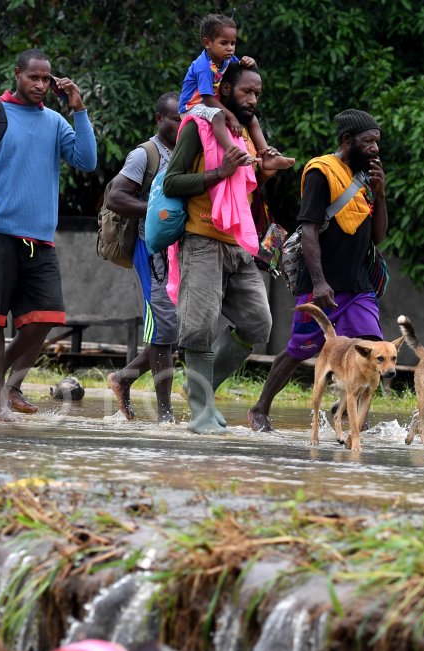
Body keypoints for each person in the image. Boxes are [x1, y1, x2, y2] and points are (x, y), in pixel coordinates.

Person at [0, 49, 97, 421]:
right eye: (33, 78)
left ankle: (6, 387)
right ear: (17, 74)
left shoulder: (54, 121)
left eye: (45, 80)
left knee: (46, 316)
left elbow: (87, 160)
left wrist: (78, 109)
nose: (39, 85)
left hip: (39, 240)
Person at [162, 62, 288, 433]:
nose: (253, 99)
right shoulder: (197, 127)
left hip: (237, 244)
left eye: (258, 94)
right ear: (227, 89)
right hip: (201, 239)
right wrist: (219, 171)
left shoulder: (244, 134)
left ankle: (200, 389)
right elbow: (172, 182)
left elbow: (244, 192)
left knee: (258, 322)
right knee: (199, 328)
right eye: (246, 92)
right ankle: (202, 414)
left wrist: (265, 171)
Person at [248, 110, 387, 432]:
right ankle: (259, 409)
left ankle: (344, 410)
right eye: (368, 142)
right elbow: (309, 229)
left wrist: (380, 194)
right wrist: (320, 282)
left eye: (377, 142)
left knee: (373, 349)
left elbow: (378, 236)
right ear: (347, 141)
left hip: (359, 285)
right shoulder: (320, 171)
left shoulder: (366, 178)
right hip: (324, 285)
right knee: (300, 349)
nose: (375, 149)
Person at [105, 92, 181, 423]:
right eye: (174, 118)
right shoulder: (145, 154)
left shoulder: (186, 152)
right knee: (162, 326)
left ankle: (124, 378)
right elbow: (116, 197)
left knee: (173, 328)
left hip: (178, 251)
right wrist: (156, 212)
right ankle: (165, 414)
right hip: (149, 249)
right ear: (159, 120)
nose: (180, 124)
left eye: (184, 119)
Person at [179, 14, 292, 171]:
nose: (230, 48)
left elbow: (244, 75)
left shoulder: (226, 59)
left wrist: (251, 62)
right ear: (207, 43)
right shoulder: (203, 66)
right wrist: (231, 117)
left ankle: (266, 156)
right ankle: (235, 153)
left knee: (251, 119)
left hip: (209, 103)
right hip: (192, 106)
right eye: (224, 43)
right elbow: (207, 99)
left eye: (233, 43)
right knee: (219, 114)